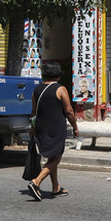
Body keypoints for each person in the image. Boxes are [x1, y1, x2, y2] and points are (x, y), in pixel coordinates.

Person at [27, 62, 78, 201]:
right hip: (55, 128)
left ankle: (56, 188)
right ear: (58, 76)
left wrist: (32, 129)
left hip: (41, 128)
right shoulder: (60, 89)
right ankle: (36, 182)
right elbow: (69, 111)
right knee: (56, 157)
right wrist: (75, 126)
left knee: (52, 157)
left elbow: (33, 113)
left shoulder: (36, 90)